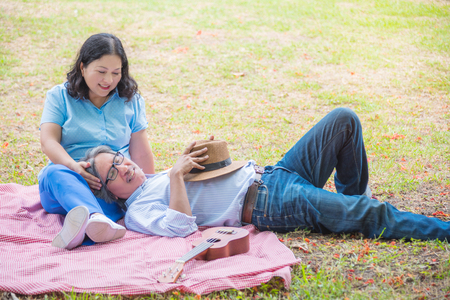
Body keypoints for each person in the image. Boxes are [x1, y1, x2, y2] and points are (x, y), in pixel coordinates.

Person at [64, 108, 449, 244]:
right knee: (371, 218)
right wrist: (178, 177)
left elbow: (207, 175)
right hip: (269, 203)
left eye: (119, 158)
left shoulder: (153, 178)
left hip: (277, 172)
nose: (124, 166)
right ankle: (441, 230)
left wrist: (193, 158)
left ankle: (356, 195)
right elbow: (181, 227)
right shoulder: (135, 213)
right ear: (110, 192)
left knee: (344, 120)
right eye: (112, 172)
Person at [39, 33, 155, 250]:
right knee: (52, 173)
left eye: (116, 73)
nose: (108, 80)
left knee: (119, 203)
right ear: (83, 68)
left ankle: (85, 228)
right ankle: (94, 217)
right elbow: (48, 142)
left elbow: (141, 153)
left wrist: (149, 188)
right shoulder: (59, 97)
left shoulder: (132, 101)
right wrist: (73, 167)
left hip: (111, 186)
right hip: (67, 178)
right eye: (101, 72)